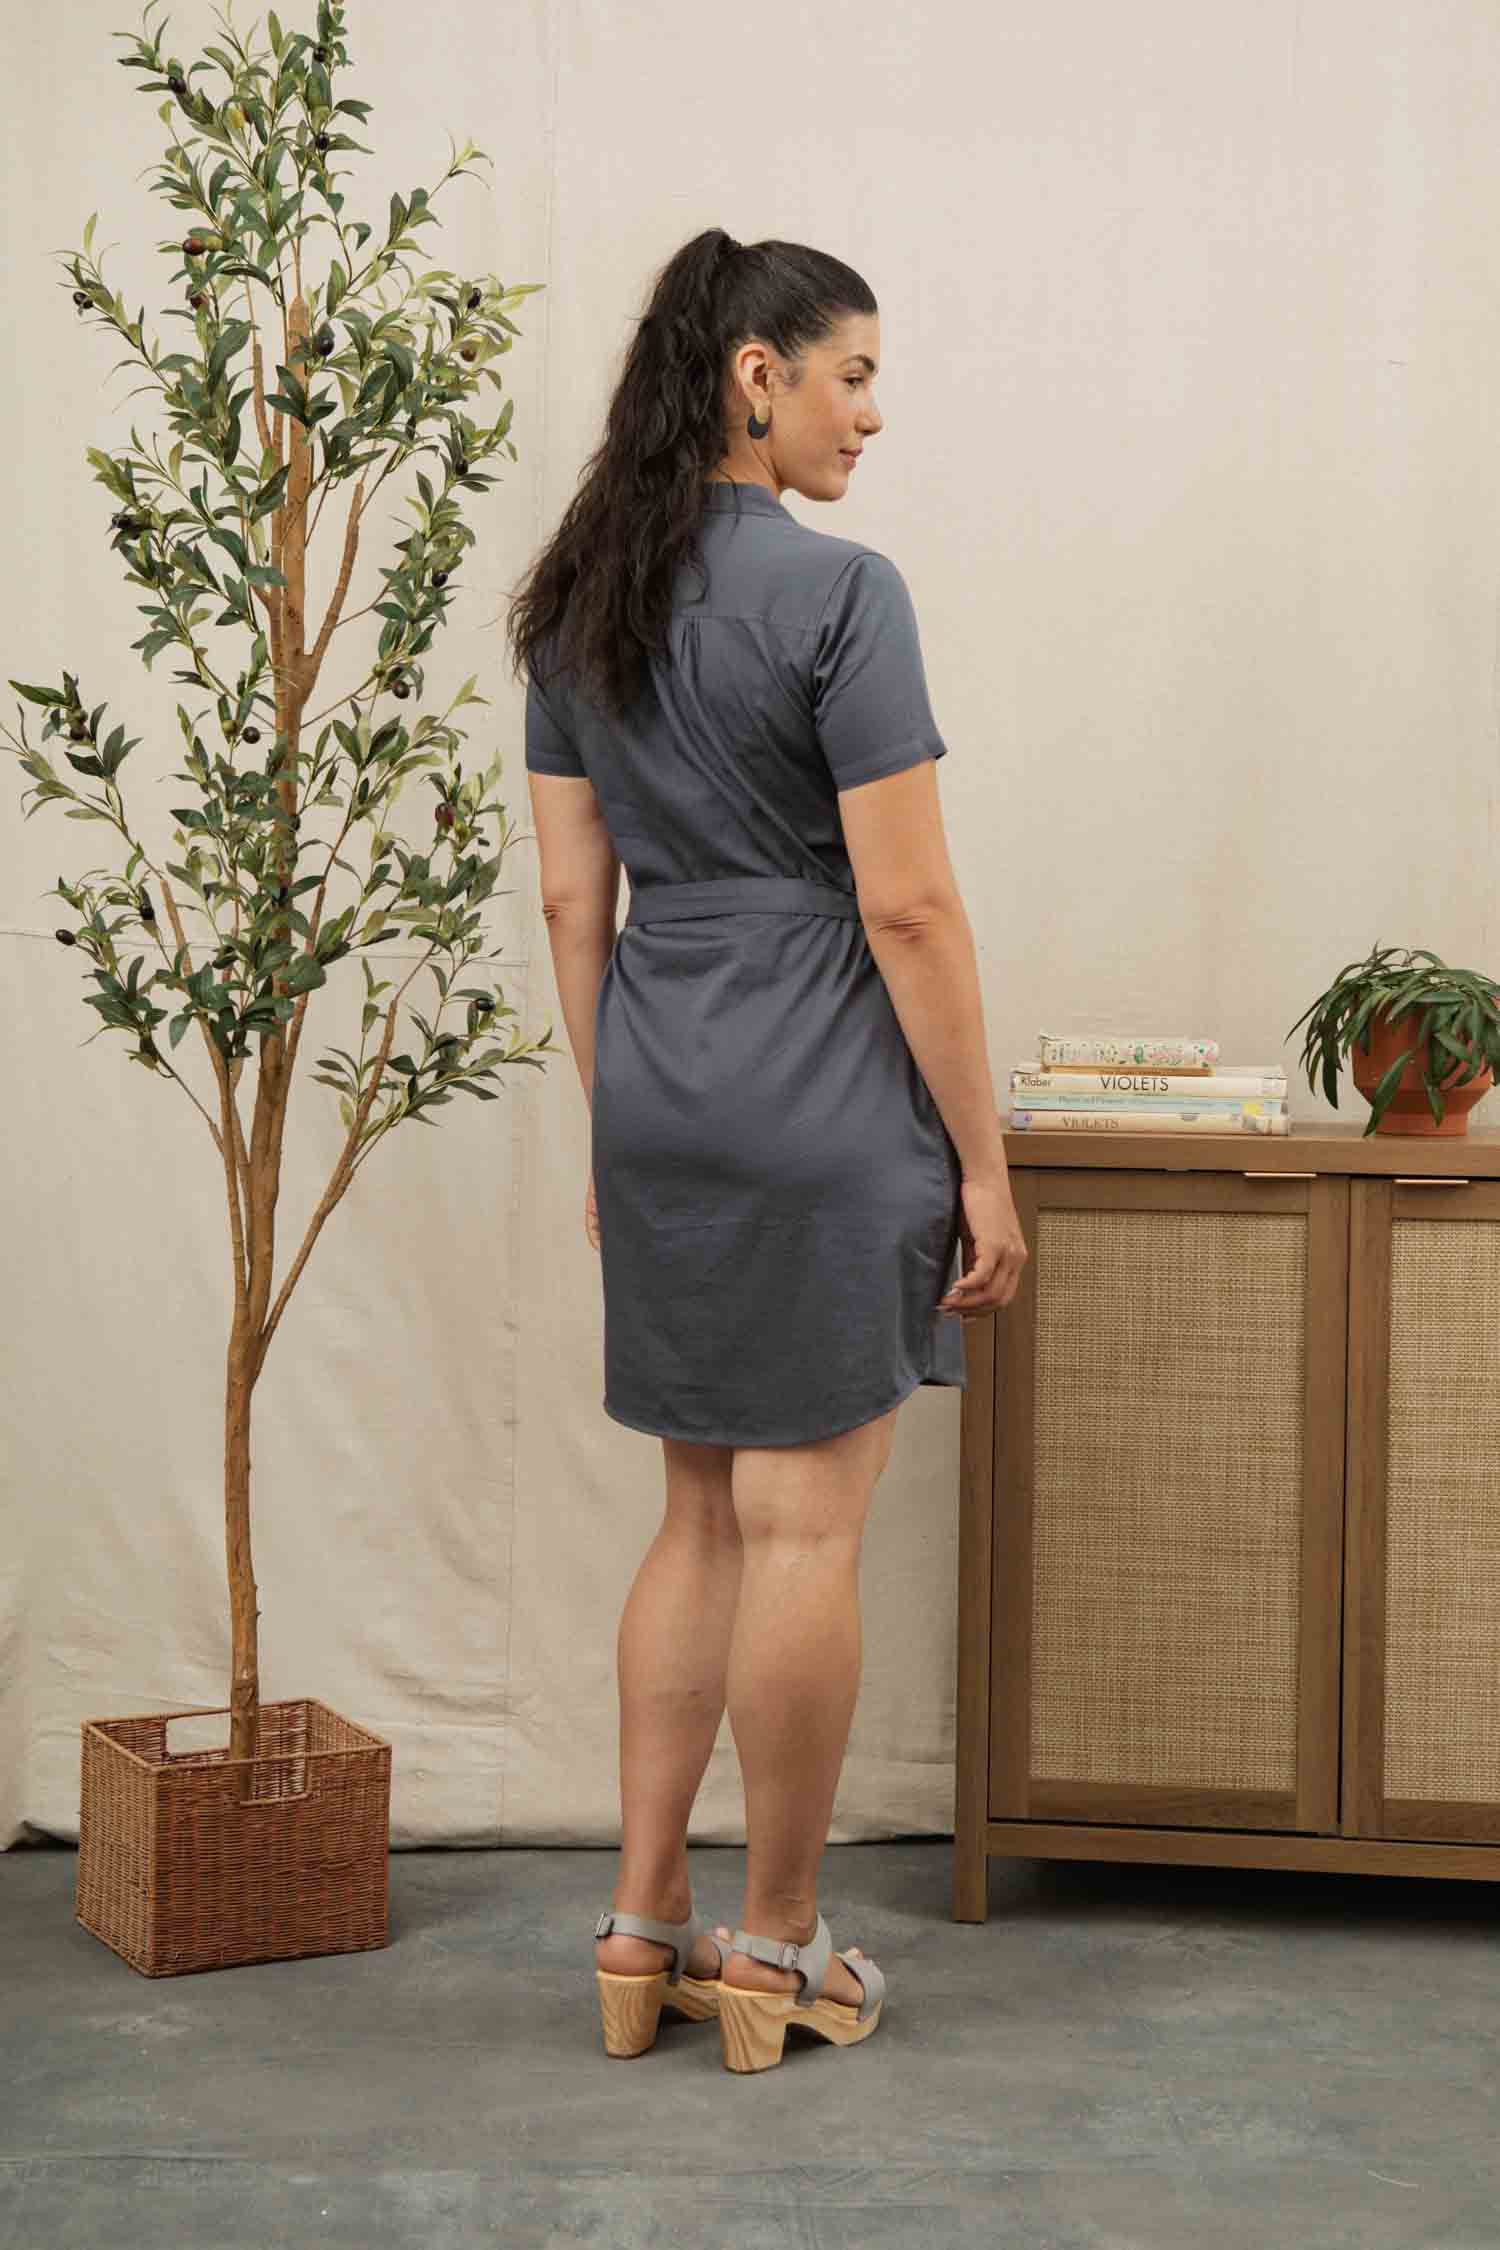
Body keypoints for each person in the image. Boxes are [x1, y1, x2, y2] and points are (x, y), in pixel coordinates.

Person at [508, 229, 1028, 2069]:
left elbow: (578, 903)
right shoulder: (844, 595)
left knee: (696, 1515)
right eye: (852, 375)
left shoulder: (573, 598)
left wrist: (618, 1116)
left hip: (659, 1080)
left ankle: (638, 1930)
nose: (872, 415)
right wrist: (983, 1160)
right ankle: (782, 1947)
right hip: (824, 1082)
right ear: (752, 372)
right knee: (806, 1523)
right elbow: (911, 911)